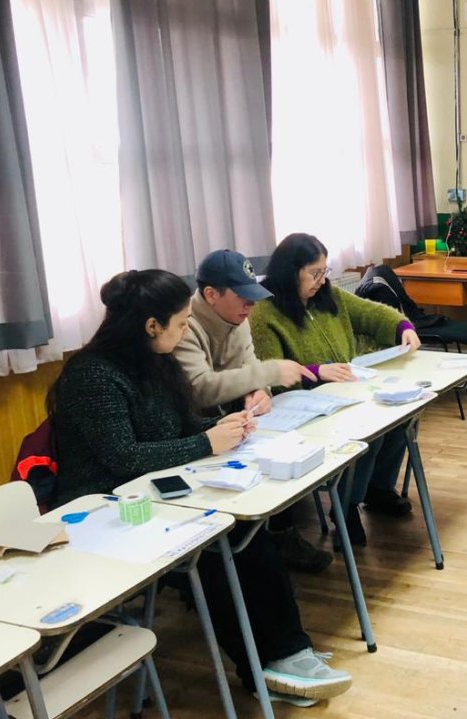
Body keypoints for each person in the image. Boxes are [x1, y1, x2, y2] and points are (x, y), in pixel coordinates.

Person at [48, 269, 353, 707]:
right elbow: (124, 457)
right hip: (108, 509)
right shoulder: (92, 376)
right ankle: (261, 669)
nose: (187, 329)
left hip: (158, 492)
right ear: (151, 326)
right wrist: (206, 442)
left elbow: (182, 425)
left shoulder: (157, 361)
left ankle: (290, 651)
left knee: (251, 539)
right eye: (181, 322)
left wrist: (227, 426)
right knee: (217, 552)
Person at [250, 233, 421, 546]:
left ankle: (378, 489)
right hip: (304, 406)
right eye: (314, 273)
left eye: (324, 271)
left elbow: (370, 312)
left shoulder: (328, 295)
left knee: (400, 417)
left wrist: (403, 327)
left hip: (347, 391)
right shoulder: (265, 313)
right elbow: (270, 374)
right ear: (290, 272)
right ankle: (346, 507)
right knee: (367, 431)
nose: (321, 280)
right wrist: (316, 373)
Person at [174, 249, 332, 574]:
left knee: (283, 454)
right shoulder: (184, 326)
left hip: (235, 425)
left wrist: (261, 392)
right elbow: (199, 388)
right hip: (194, 432)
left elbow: (250, 368)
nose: (250, 305)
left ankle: (280, 537)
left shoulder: (238, 318)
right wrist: (269, 374)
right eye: (242, 297)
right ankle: (251, 554)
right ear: (211, 295)